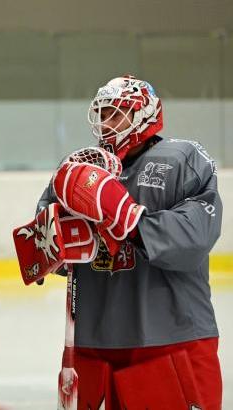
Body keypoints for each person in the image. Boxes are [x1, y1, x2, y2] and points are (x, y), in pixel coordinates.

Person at [37, 75, 222, 409]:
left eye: (117, 112)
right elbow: (42, 247)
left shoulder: (184, 159)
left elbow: (196, 238)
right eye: (103, 113)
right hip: (94, 345)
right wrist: (56, 244)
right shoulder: (79, 170)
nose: (107, 123)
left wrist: (129, 221)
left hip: (170, 339)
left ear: (144, 114)